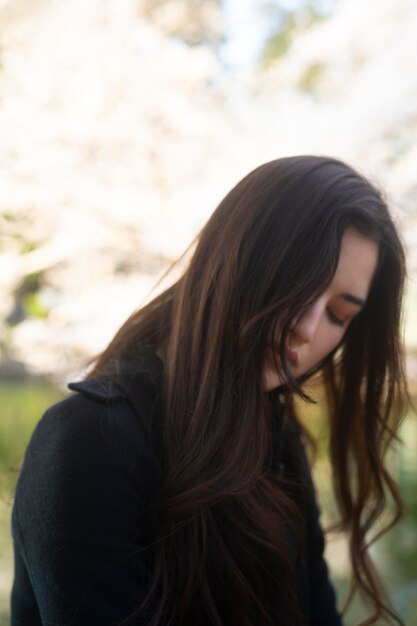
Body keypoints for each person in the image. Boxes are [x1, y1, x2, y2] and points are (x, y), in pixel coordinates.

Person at [11, 155, 408, 626]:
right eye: (298, 282)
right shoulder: (89, 441)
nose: (306, 328)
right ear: (234, 256)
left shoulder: (277, 447)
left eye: (339, 315)